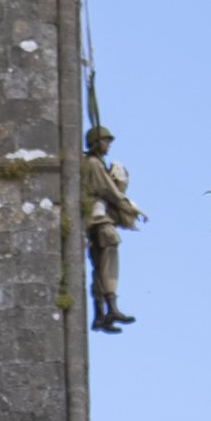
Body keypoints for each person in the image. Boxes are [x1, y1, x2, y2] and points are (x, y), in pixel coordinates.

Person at [83, 123, 142, 333]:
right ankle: (111, 307)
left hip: (94, 220)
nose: (108, 145)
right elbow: (109, 192)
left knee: (99, 266)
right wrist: (131, 209)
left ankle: (101, 313)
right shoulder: (94, 164)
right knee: (109, 255)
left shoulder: (95, 163)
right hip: (99, 220)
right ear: (96, 143)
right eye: (105, 141)